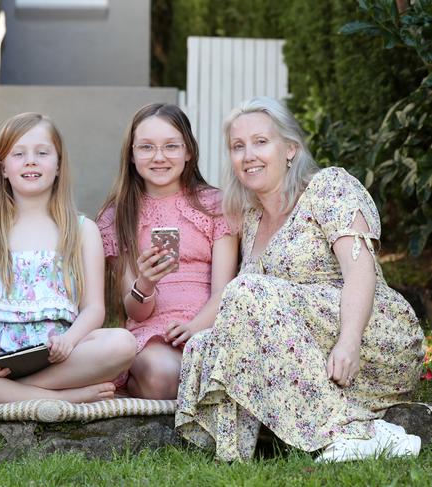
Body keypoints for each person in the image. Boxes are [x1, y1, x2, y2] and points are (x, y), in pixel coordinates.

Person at [176, 96, 424, 462]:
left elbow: (361, 270)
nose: (248, 155)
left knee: (246, 292)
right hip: (307, 346)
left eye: (261, 142)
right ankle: (234, 454)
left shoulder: (328, 186)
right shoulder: (251, 216)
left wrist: (349, 341)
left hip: (370, 334)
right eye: (237, 146)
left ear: (290, 148)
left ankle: (359, 435)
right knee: (205, 343)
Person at [0, 113, 136, 404]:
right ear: (3, 168)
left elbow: (94, 309)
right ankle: (59, 399)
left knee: (121, 344)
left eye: (42, 153)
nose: (31, 160)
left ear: (58, 165)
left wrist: (68, 342)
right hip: (2, 358)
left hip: (59, 356)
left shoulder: (82, 231)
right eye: (19, 154)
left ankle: (16, 394)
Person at [96, 103, 238, 399]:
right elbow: (133, 309)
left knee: (198, 370)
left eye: (171, 146)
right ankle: (143, 380)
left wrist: (195, 327)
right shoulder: (118, 215)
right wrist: (145, 282)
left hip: (208, 324)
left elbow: (225, 290)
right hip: (151, 334)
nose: (159, 157)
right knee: (165, 374)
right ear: (132, 156)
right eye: (146, 147)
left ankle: (140, 387)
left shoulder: (215, 205)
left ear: (188, 151)